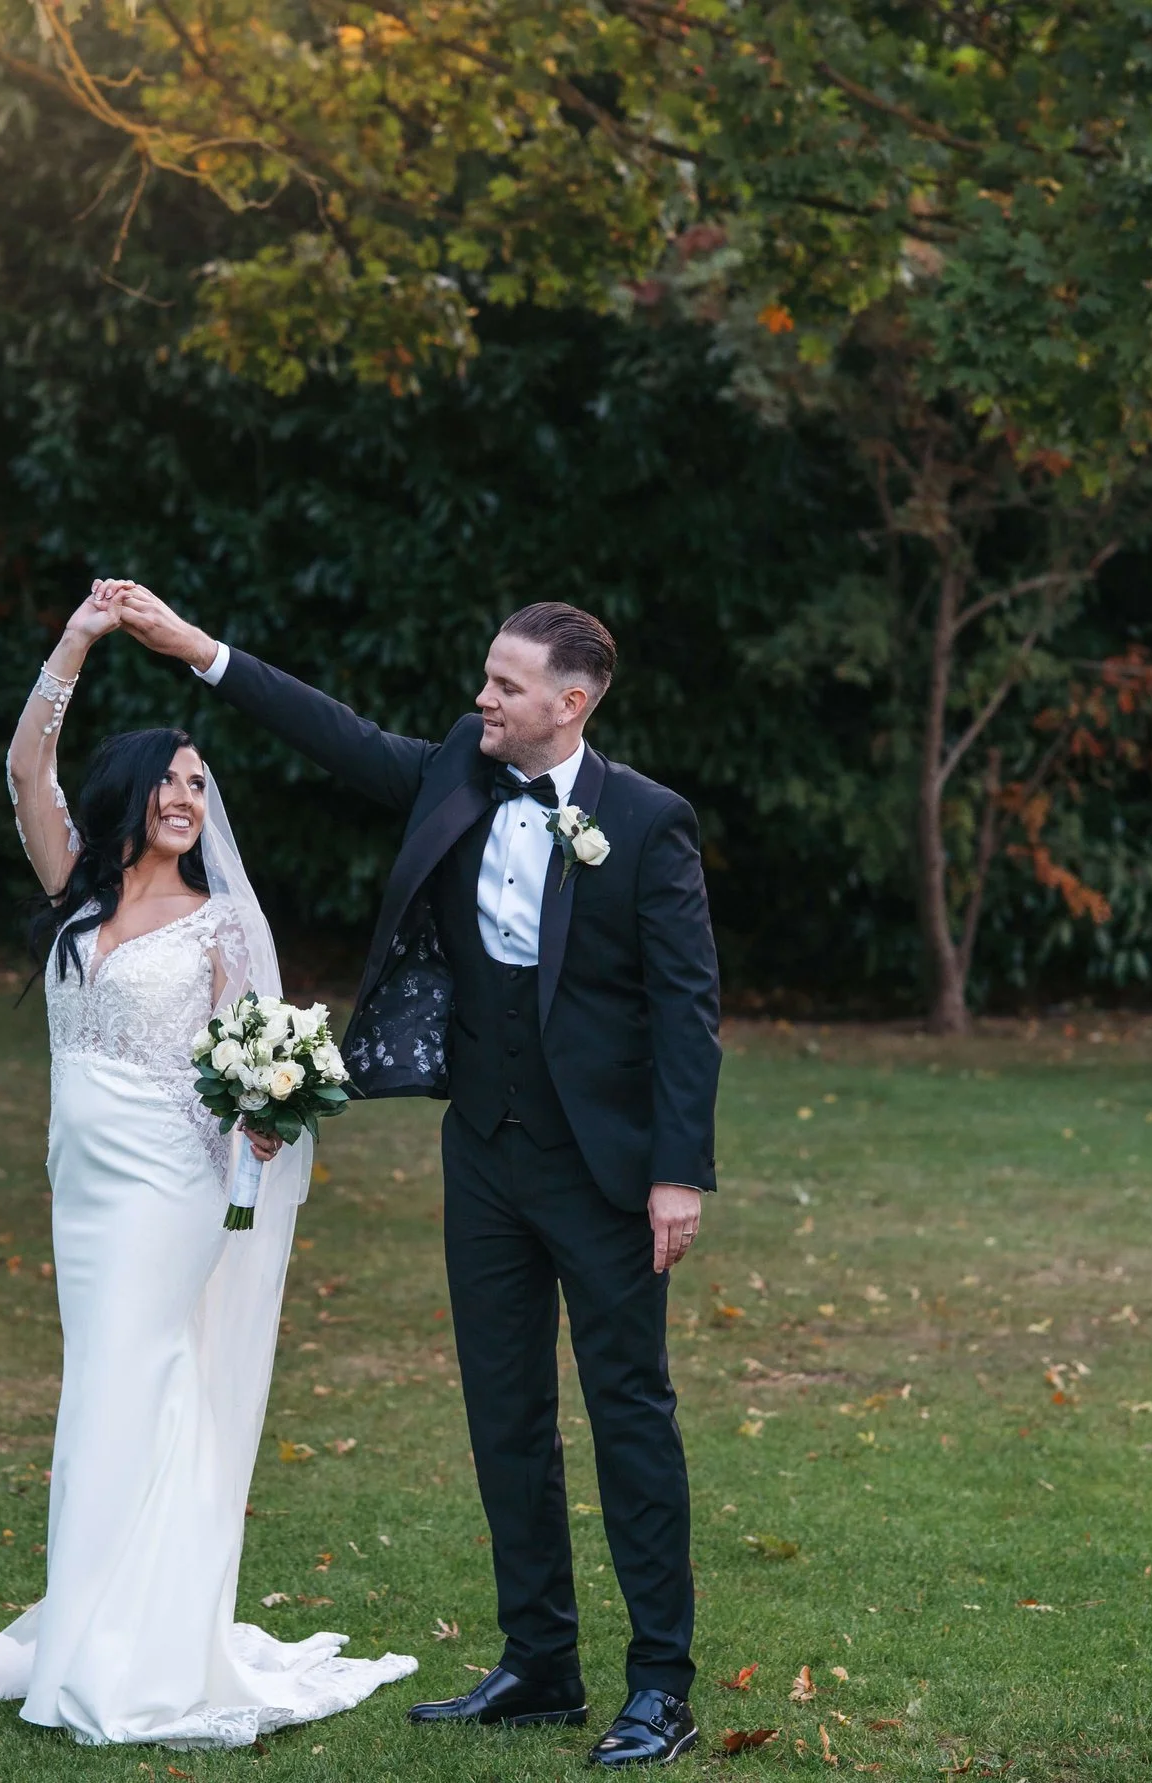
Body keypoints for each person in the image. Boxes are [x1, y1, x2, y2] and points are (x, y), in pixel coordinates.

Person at [110, 586, 721, 1768]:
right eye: (483, 678)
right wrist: (197, 650)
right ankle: (540, 1664)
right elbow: (334, 732)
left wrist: (677, 1175)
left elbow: (688, 1009)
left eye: (504, 684)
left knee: (628, 1414)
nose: (479, 697)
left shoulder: (646, 823)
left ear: (570, 701)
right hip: (483, 1157)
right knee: (504, 1415)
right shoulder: (457, 765)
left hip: (603, 1171)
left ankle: (660, 1686)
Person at [0, 584, 416, 1746]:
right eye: (169, 779)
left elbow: (255, 1069)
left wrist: (268, 1120)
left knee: (132, 1374)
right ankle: (98, 1619)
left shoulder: (221, 927)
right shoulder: (75, 886)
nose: (185, 796)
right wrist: (75, 637)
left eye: (199, 784)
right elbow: (25, 769)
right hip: (83, 1181)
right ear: (129, 792)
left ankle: (128, 1649)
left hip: (172, 1178)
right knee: (103, 1385)